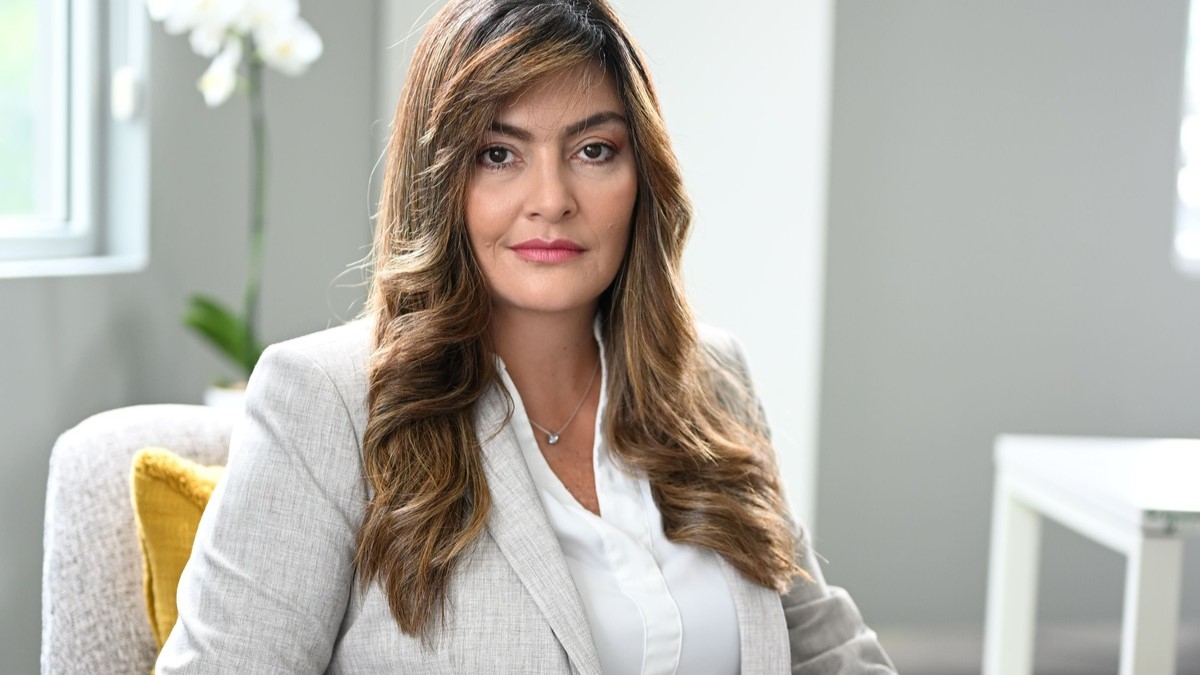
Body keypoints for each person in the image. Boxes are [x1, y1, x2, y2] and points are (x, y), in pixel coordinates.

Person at [157, 0, 897, 672]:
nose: (551, 200)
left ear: (643, 175)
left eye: (594, 150)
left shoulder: (710, 376)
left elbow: (824, 648)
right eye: (498, 154)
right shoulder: (326, 401)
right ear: (440, 180)